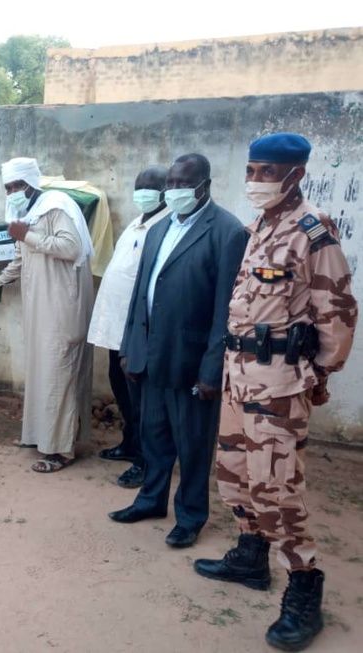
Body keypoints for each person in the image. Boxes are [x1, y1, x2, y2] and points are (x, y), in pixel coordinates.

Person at [193, 134, 357, 652]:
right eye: (252, 170)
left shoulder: (312, 231)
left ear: (296, 174)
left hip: (280, 383)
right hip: (238, 376)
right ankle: (250, 556)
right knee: (234, 472)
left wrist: (320, 374)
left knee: (277, 489)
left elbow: (338, 311)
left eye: (267, 171)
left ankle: (304, 586)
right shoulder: (259, 227)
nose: (256, 180)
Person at [109, 153, 248, 549]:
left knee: (192, 446)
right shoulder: (159, 228)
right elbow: (140, 295)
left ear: (204, 186)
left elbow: (226, 310)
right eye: (170, 183)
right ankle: (150, 500)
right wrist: (129, 347)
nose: (173, 190)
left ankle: (190, 516)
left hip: (191, 361)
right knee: (153, 436)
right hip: (151, 357)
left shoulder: (227, 231)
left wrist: (212, 369)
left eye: (182, 184)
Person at [0, 157, 95, 472]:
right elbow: (22, 256)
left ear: (31, 182)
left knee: (59, 372)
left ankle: (61, 450)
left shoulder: (57, 206)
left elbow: (70, 248)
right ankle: (39, 436)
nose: (12, 192)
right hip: (40, 306)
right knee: (42, 371)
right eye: (8, 187)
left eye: (17, 185)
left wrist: (26, 235)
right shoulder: (26, 213)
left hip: (62, 305)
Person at [88, 166, 170, 489]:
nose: (142, 192)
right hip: (117, 326)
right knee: (120, 385)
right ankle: (130, 443)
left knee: (142, 398)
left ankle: (146, 461)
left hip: (139, 329)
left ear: (165, 191)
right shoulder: (139, 222)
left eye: (150, 187)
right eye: (139, 186)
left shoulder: (165, 227)